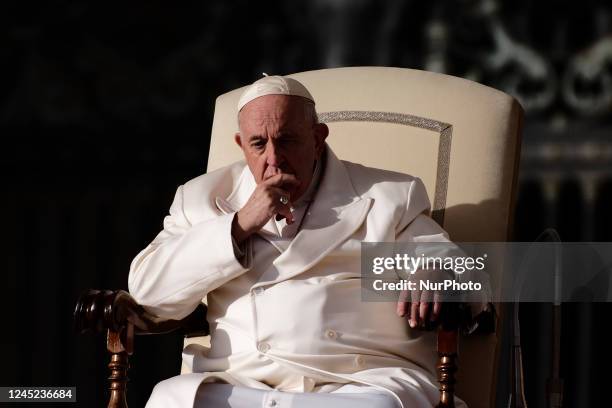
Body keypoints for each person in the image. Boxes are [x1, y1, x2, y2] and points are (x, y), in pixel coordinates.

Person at [128, 75, 470, 408]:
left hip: (358, 384)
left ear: (318, 138)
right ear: (240, 145)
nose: (273, 158)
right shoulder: (201, 198)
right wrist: (237, 226)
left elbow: (456, 263)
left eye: (287, 140)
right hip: (240, 385)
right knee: (171, 398)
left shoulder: (387, 195)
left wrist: (436, 270)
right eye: (258, 144)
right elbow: (148, 292)